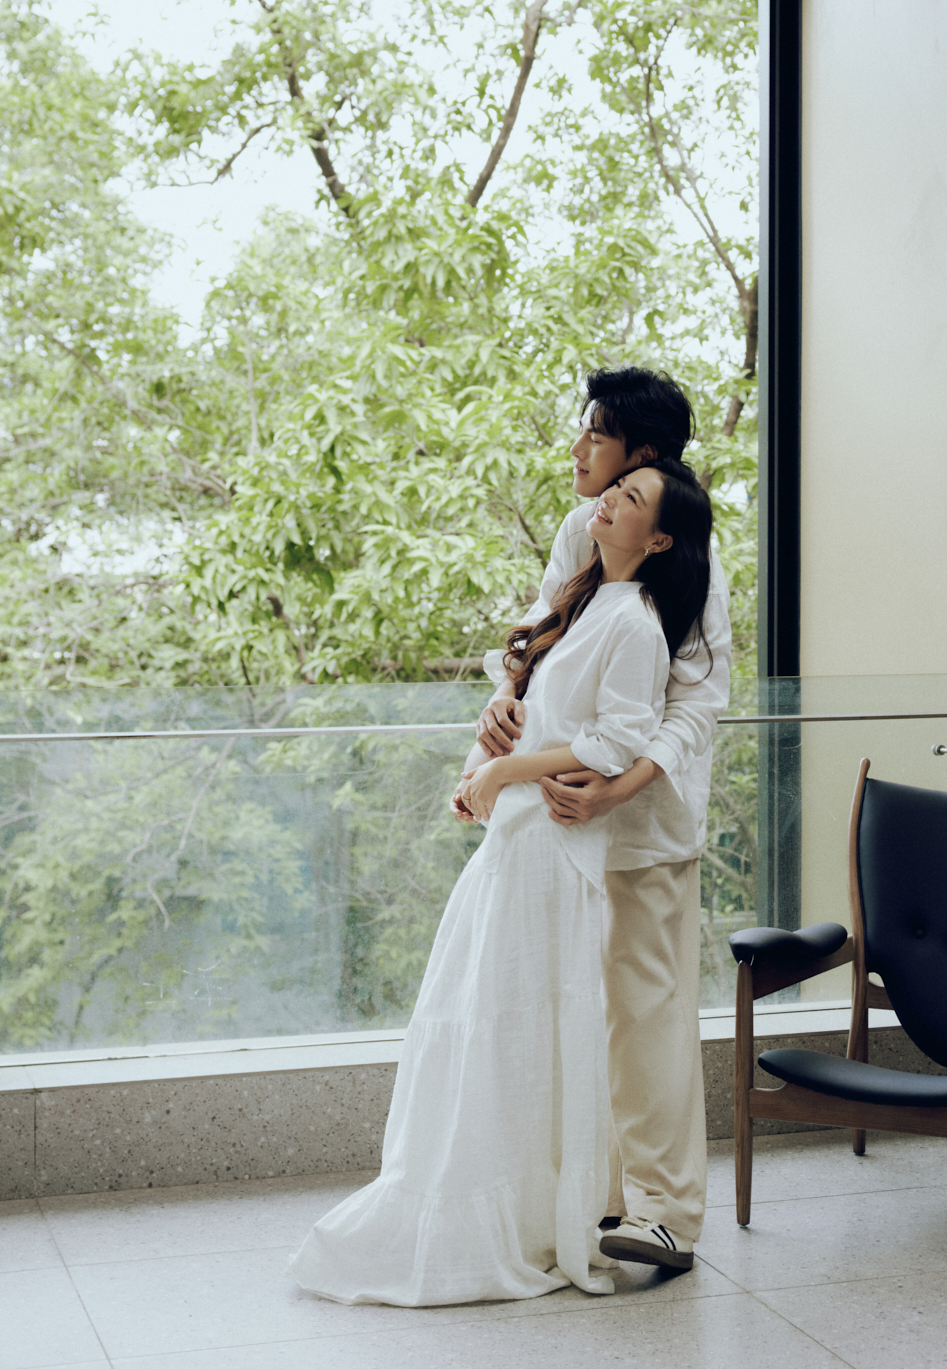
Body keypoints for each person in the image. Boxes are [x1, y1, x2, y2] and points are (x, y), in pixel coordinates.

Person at [289, 457, 714, 1307]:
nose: (606, 496)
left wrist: (505, 773)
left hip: (553, 847)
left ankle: (524, 1216)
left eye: (629, 495)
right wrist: (482, 765)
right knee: (486, 1017)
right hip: (520, 839)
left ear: (660, 538)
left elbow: (616, 741)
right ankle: (496, 1199)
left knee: (518, 1021)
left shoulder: (637, 622)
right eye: (614, 488)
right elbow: (536, 707)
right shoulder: (583, 598)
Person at [475, 366, 732, 1272]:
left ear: (643, 454)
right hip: (562, 823)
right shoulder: (580, 529)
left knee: (644, 1011)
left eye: (597, 434)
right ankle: (595, 1194)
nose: (580, 447)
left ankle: (666, 1214)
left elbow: (699, 701)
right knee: (570, 1008)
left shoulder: (687, 555)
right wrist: (504, 697)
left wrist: (621, 787)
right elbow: (545, 636)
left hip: (642, 827)